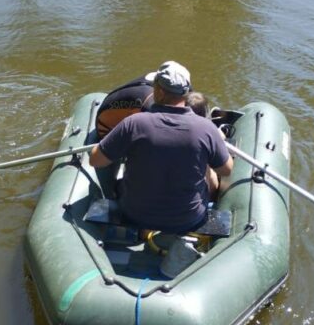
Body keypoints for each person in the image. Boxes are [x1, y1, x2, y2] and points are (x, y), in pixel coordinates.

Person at [89, 61, 233, 233]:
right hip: (188, 219)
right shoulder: (206, 128)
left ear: (159, 90)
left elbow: (95, 160)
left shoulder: (133, 123)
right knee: (207, 173)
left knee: (121, 183)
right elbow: (226, 170)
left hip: (134, 215)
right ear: (187, 93)